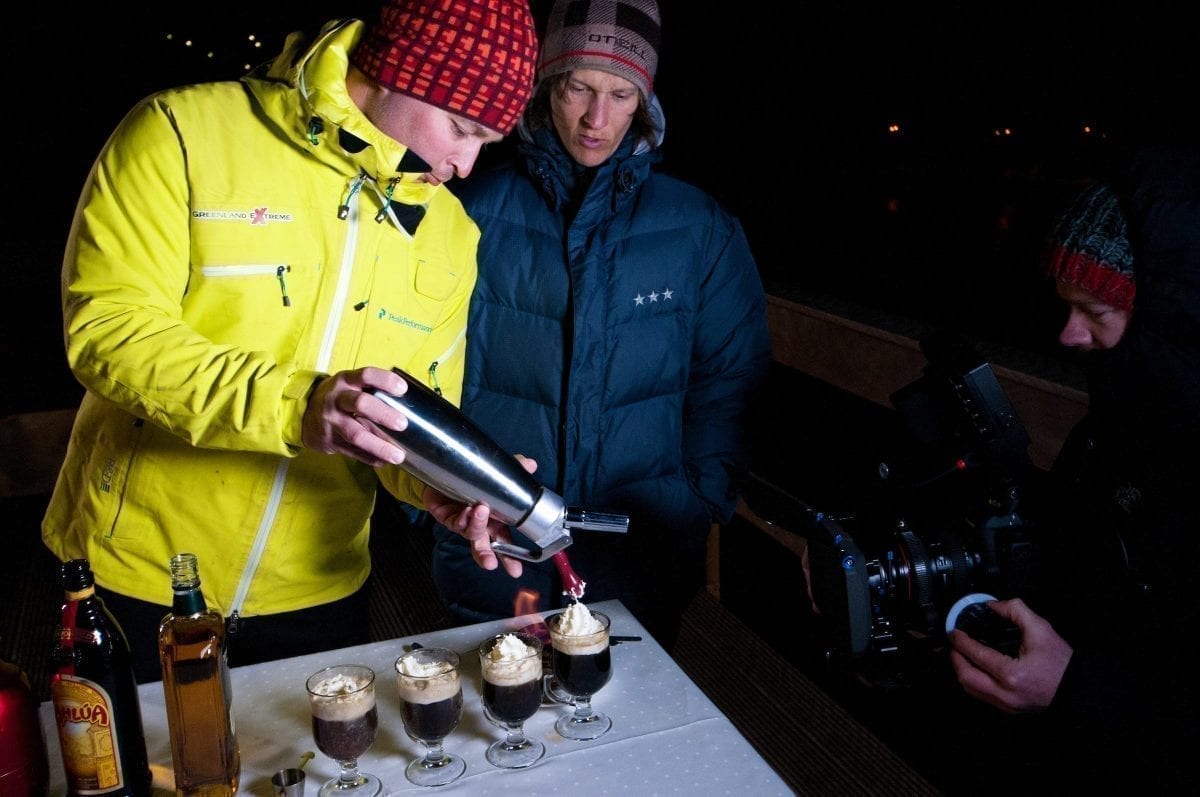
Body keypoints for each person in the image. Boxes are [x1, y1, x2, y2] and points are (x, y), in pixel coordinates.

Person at [41, 0, 540, 682]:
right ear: (396, 71)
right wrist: (296, 405)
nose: (465, 164)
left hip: (319, 588)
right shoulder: (182, 132)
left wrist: (438, 481)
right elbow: (109, 331)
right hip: (138, 574)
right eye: (462, 128)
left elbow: (406, 414)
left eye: (488, 140)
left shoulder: (450, 231)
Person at [419, 0, 772, 649]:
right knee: (497, 723)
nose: (596, 118)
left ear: (645, 101)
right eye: (579, 86)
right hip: (497, 547)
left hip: (642, 553)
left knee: (630, 728)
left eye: (619, 93)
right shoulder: (466, 211)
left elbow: (734, 375)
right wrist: (439, 500)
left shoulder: (700, 229)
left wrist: (695, 502)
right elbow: (418, 366)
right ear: (547, 86)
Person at [948, 146, 1200, 787]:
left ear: (1172, 324)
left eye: (1096, 311)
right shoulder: (1118, 420)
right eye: (1065, 306)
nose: (1068, 334)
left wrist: (1077, 689)